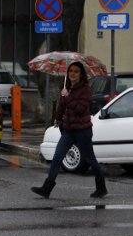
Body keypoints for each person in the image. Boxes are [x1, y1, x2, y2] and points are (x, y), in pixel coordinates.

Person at [31, 61, 107, 199]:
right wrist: (57, 118)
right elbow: (61, 106)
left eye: (76, 71)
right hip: (68, 130)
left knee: (90, 160)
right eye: (71, 71)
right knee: (57, 158)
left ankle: (101, 187)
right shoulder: (66, 88)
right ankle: (46, 188)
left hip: (82, 130)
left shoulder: (86, 90)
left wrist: (67, 96)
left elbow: (79, 109)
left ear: (81, 74)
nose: (73, 73)